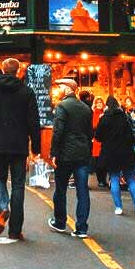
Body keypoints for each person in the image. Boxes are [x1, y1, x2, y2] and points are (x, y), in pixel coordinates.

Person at [0, 57, 40, 240]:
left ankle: (3, 207)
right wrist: (35, 146)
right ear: (19, 71)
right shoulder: (27, 92)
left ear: (2, 70)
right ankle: (15, 230)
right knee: (19, 185)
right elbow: (33, 121)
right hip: (19, 145)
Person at [49, 78, 93, 238]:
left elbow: (58, 131)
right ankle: (82, 228)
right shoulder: (86, 108)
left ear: (68, 89)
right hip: (82, 154)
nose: (58, 89)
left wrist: (53, 153)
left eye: (60, 87)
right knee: (82, 191)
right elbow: (90, 133)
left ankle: (60, 222)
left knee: (60, 189)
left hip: (65, 155)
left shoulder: (62, 106)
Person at [94, 95, 135, 216]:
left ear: (107, 105)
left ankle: (118, 207)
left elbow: (98, 136)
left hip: (111, 153)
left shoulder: (104, 119)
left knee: (114, 178)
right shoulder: (124, 117)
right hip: (126, 152)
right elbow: (131, 135)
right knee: (131, 179)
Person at [90, 96, 108, 188]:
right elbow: (92, 127)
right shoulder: (93, 114)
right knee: (97, 161)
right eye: (98, 103)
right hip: (96, 140)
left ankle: (104, 180)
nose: (99, 104)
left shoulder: (105, 114)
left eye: (101, 102)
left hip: (104, 140)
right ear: (95, 104)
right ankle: (100, 180)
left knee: (104, 161)